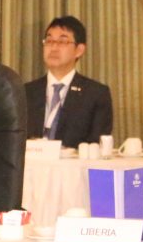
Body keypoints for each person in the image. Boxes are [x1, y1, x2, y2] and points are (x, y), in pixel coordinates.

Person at [25, 16, 113, 148]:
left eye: (62, 42)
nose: (53, 47)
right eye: (49, 41)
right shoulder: (25, 92)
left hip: (75, 167)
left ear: (79, 50)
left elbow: (96, 144)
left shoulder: (96, 94)